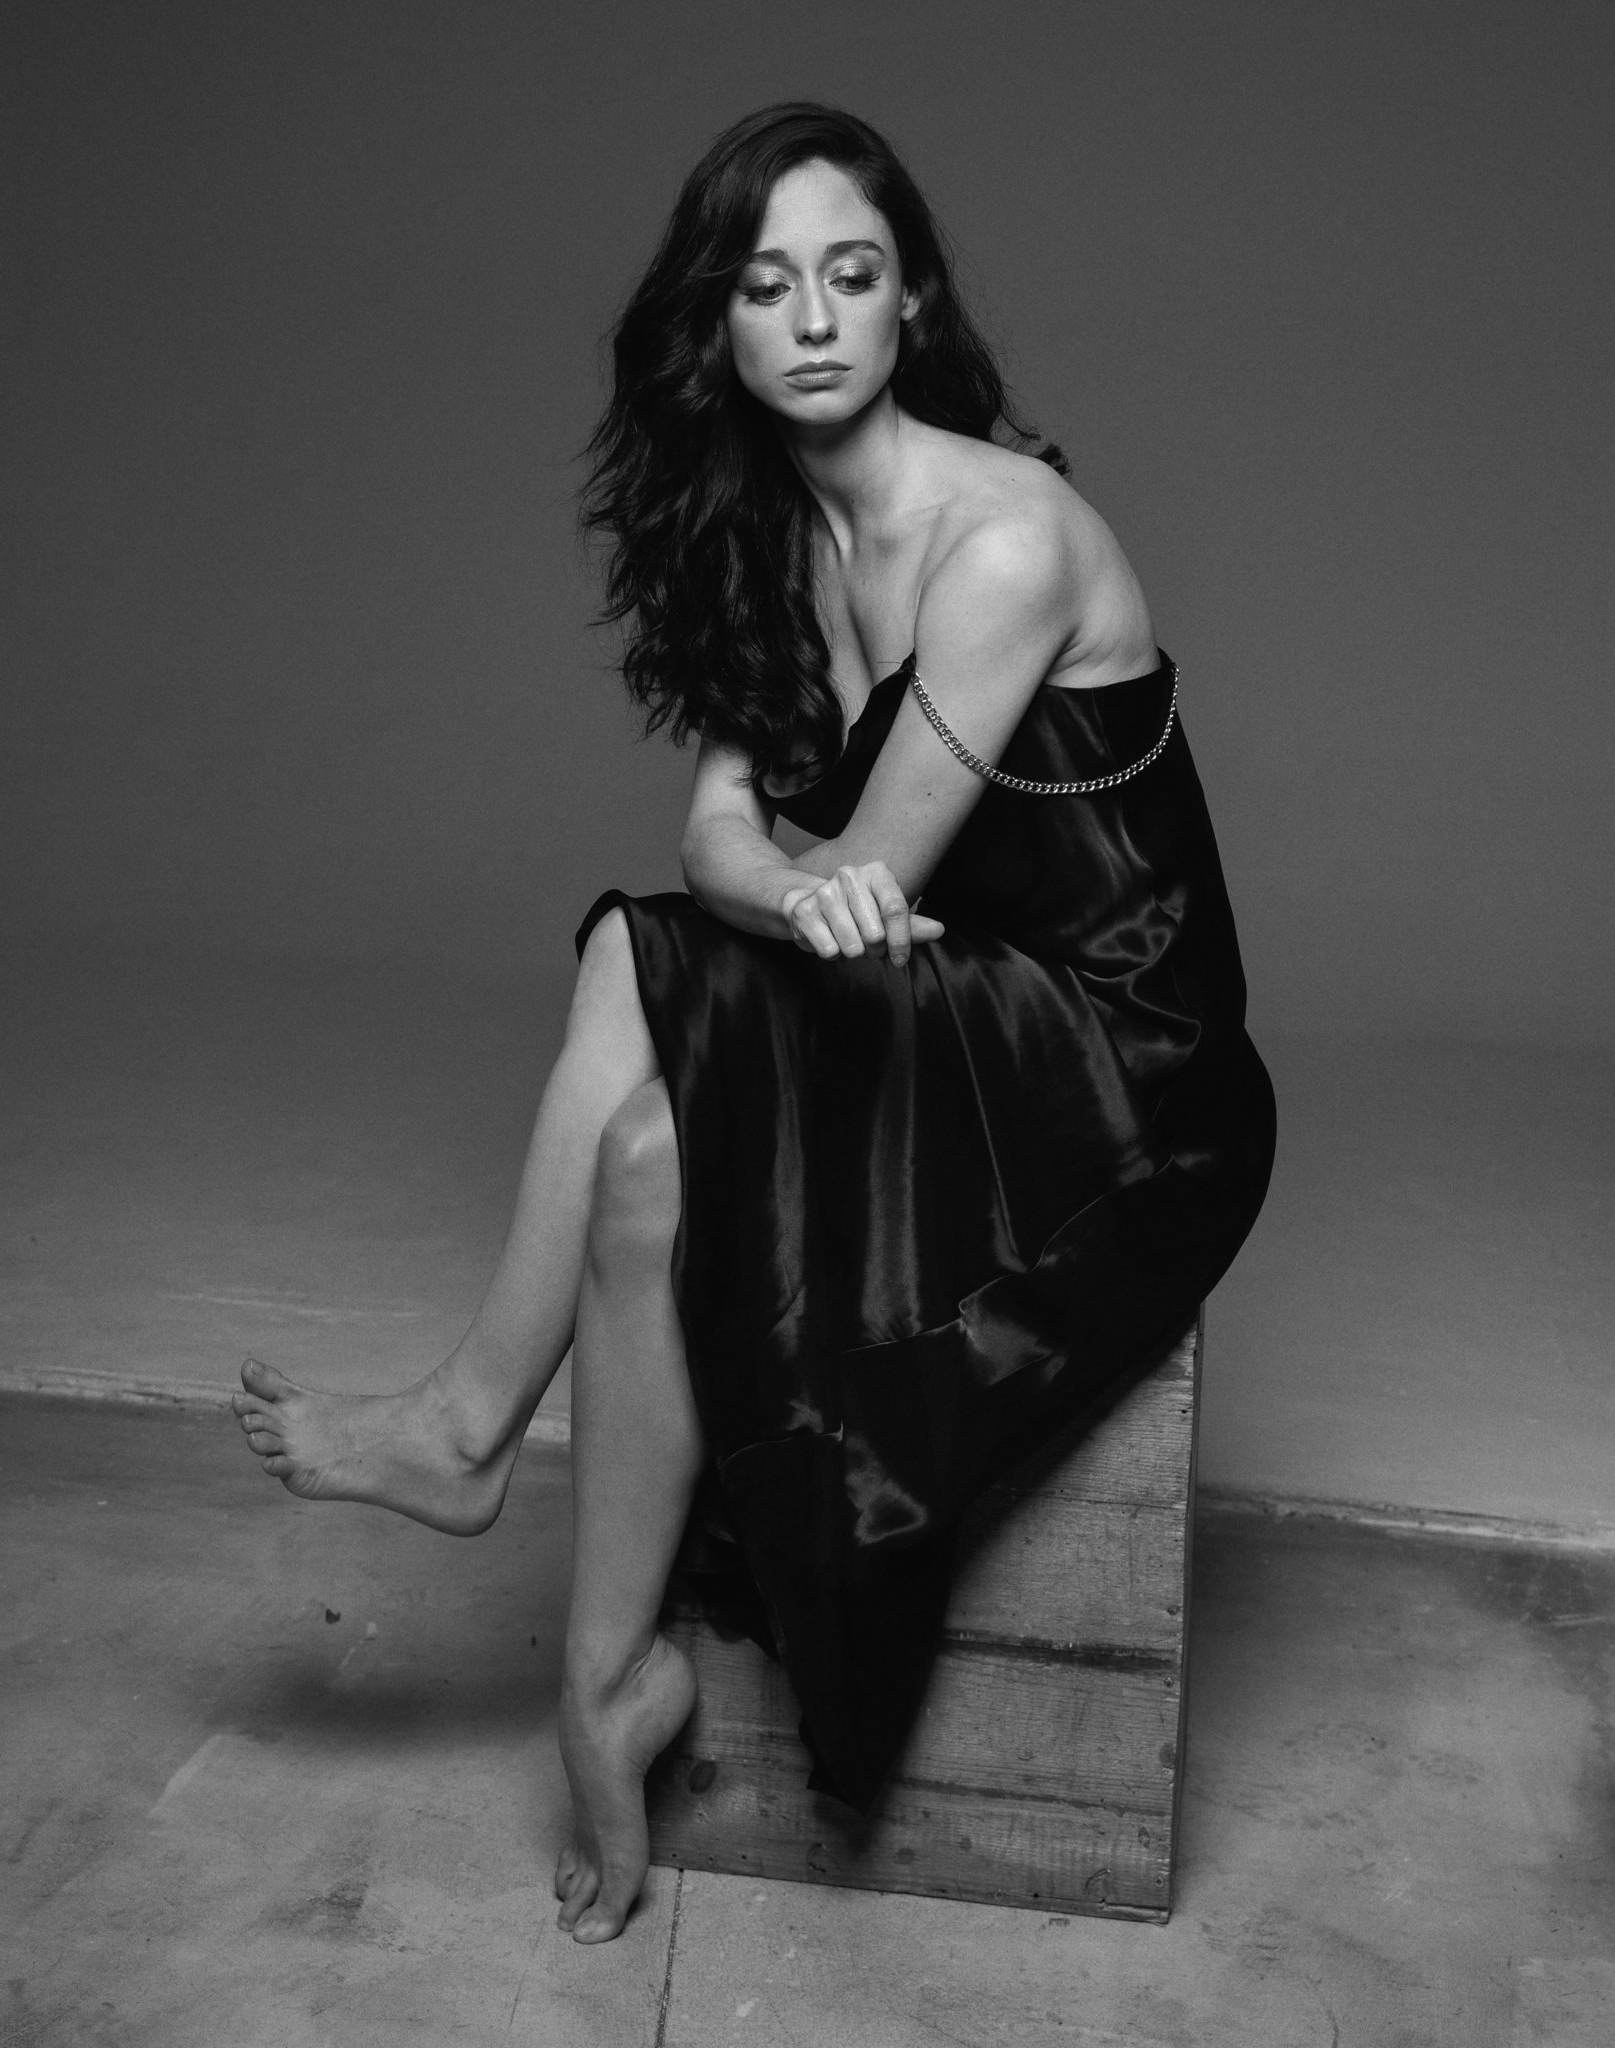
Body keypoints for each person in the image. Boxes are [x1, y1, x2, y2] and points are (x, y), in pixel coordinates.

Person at [232, 102, 1276, 1945]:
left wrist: (797, 891)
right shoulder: (779, 533)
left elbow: (858, 872)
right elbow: (725, 844)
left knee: (638, 989)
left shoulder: (1003, 542)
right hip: (951, 1000)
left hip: (1122, 1072)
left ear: (908, 301)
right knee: (645, 1135)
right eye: (764, 283)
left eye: (848, 277)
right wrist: (788, 896)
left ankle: (472, 1430)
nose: (809, 320)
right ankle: (602, 1683)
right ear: (714, 321)